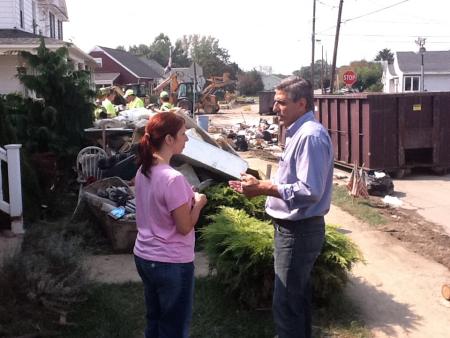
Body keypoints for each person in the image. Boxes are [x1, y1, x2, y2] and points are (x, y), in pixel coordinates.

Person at [229, 76, 333, 338]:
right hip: (293, 230)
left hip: (299, 231)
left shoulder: (309, 136)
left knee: (286, 304)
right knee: (293, 301)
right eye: (275, 102)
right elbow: (292, 180)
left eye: (281, 103)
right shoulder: (299, 132)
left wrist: (264, 188)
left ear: (302, 103)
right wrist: (262, 183)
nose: (275, 108)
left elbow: (310, 190)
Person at [134, 112, 207, 338]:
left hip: (145, 257)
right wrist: (199, 204)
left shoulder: (142, 170)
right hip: (171, 262)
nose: (186, 139)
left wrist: (186, 199)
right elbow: (184, 227)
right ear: (168, 139)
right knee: (174, 327)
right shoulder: (173, 178)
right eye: (183, 134)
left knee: (154, 319)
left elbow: (158, 207)